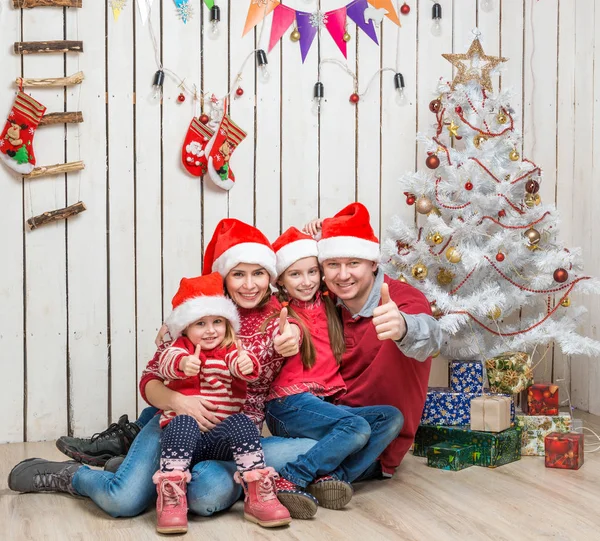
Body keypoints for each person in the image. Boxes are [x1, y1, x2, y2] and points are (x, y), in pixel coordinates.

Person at [8, 219, 316, 521]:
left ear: (270, 276)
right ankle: (75, 477)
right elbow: (151, 379)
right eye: (238, 274)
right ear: (223, 276)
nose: (249, 284)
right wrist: (178, 401)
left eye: (258, 273)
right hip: (178, 424)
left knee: (207, 495)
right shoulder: (198, 314)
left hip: (235, 436)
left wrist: (290, 338)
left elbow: (293, 334)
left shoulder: (280, 318)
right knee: (124, 501)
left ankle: (147, 471)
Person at [264, 227, 404, 509]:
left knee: (390, 418)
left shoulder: (330, 301)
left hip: (322, 403)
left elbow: (344, 252)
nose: (306, 282)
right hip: (288, 404)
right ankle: (292, 477)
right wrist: (286, 338)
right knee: (355, 427)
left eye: (312, 272)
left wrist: (322, 225)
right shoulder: (277, 310)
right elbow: (271, 325)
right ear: (280, 279)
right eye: (295, 274)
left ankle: (333, 478)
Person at [306, 202, 443, 477]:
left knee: (274, 462)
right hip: (326, 429)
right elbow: (271, 288)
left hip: (375, 446)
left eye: (353, 263)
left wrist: (404, 327)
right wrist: (304, 245)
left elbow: (432, 338)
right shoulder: (325, 303)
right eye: (333, 264)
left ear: (372, 262)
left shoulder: (403, 299)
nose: (343, 275)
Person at [149, 272, 290, 533]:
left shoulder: (231, 350)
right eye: (200, 324)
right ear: (186, 328)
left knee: (241, 422)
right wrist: (182, 363)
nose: (210, 330)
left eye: (217, 322)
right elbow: (165, 363)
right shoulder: (179, 348)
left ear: (227, 324)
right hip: (183, 443)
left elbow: (243, 366)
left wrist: (246, 364)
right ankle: (171, 497)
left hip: (218, 441)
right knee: (181, 423)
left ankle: (258, 494)